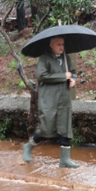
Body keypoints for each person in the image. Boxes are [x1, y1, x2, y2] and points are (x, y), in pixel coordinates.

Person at [22, 36, 79, 168]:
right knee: (46, 128)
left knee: (65, 128)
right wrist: (62, 76)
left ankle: (65, 160)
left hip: (64, 98)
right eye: (58, 45)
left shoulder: (66, 58)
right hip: (49, 99)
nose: (61, 47)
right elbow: (41, 75)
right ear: (51, 45)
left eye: (63, 44)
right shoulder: (44, 58)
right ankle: (29, 146)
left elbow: (73, 72)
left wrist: (73, 80)